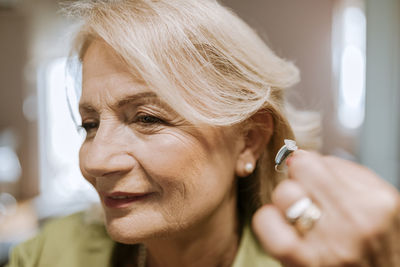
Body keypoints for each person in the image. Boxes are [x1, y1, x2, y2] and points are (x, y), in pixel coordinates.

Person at [7, 0, 400, 266]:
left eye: (147, 118)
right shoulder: (45, 254)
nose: (94, 160)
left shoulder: (314, 259)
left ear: (249, 141)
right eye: (90, 124)